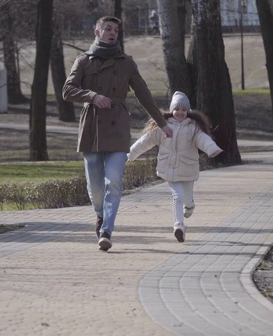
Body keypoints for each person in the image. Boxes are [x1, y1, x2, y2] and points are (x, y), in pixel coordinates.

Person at [62, 16, 173, 252]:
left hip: (117, 126)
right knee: (95, 186)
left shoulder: (126, 62)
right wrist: (92, 96)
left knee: (113, 181)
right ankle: (101, 215)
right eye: (108, 29)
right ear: (97, 32)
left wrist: (162, 123)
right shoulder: (83, 61)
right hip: (91, 127)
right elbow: (67, 90)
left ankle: (107, 230)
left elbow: (144, 94)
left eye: (116, 30)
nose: (113, 33)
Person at [127, 91, 223, 243]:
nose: (180, 112)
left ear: (188, 111)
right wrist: (131, 154)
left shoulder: (193, 127)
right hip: (169, 168)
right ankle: (179, 226)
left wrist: (212, 149)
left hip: (188, 168)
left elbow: (203, 139)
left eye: (184, 109)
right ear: (172, 110)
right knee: (177, 197)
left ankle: (190, 206)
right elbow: (146, 141)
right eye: (177, 109)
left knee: (188, 200)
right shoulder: (162, 126)